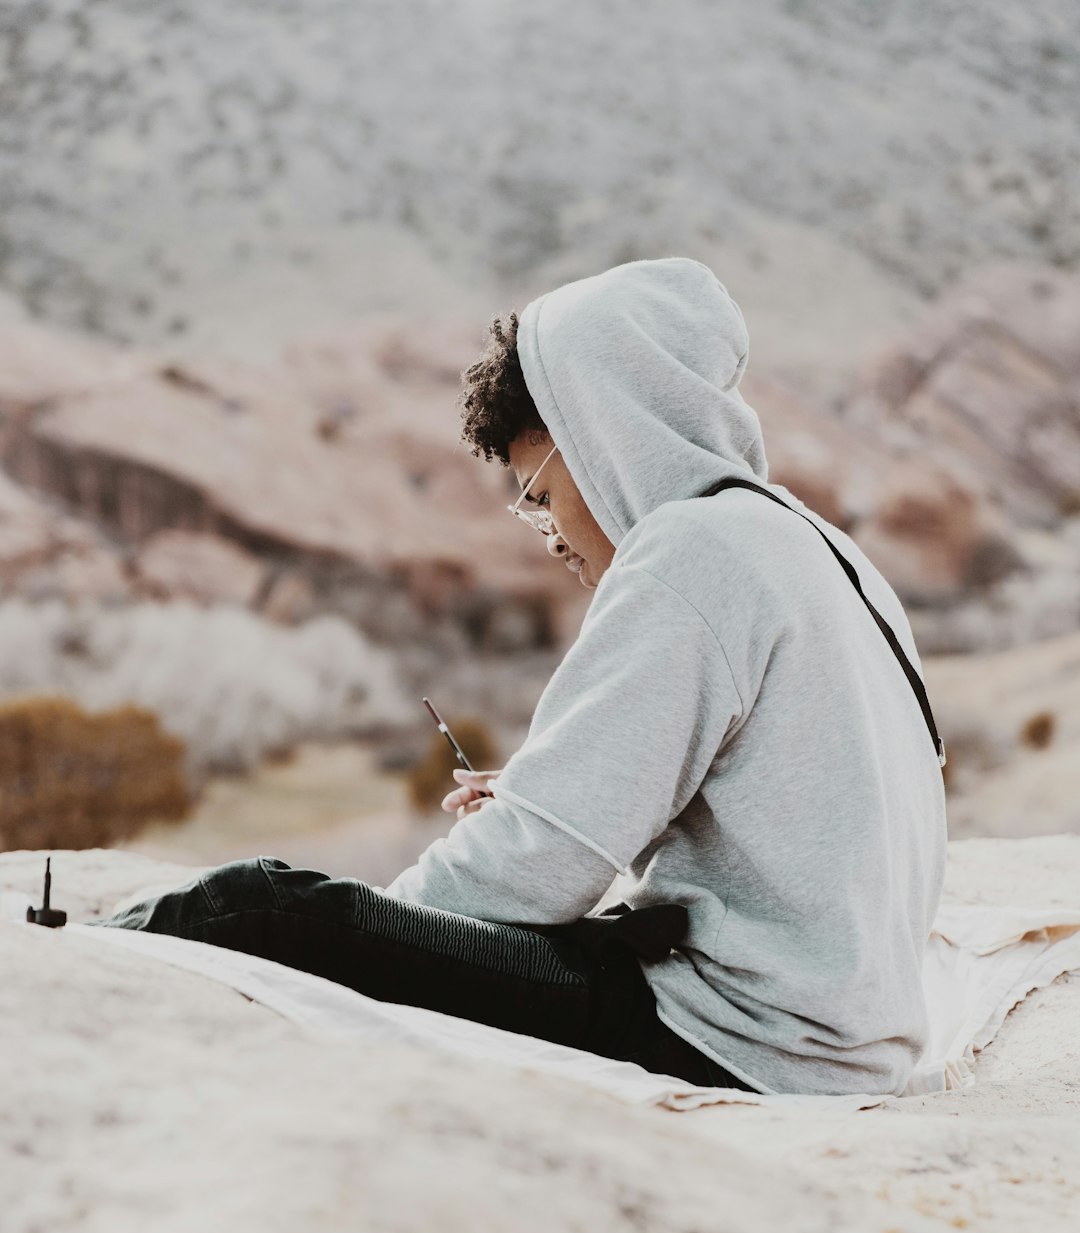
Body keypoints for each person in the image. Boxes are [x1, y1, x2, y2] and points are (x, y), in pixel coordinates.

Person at [94, 256, 947, 1096]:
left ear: (608, 433)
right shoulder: (819, 548)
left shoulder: (691, 555)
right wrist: (553, 792)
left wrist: (386, 933)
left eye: (536, 489)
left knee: (257, 908)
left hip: (739, 1037)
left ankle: (61, 962)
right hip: (847, 1032)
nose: (540, 529)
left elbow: (532, 873)